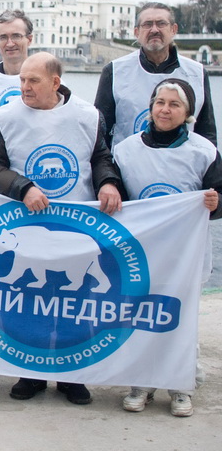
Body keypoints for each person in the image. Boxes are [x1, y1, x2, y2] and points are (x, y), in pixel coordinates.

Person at [0, 52, 123, 405]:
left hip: (73, 225)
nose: (24, 87)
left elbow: (100, 157)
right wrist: (22, 187)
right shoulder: (7, 115)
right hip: (27, 225)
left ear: (55, 83)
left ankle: (72, 377)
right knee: (31, 302)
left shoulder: (88, 116)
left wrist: (108, 182)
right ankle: (32, 374)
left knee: (75, 303)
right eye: (22, 80)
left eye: (33, 81)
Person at [114, 79, 222, 417]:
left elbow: (219, 199)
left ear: (188, 112)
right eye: (160, 102)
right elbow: (116, 191)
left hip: (185, 255)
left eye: (174, 104)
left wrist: (214, 203)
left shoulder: (204, 151)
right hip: (142, 252)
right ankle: (141, 382)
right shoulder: (126, 149)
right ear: (150, 106)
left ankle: (180, 387)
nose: (165, 109)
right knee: (140, 316)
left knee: (181, 319)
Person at [94, 2, 216, 150]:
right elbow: (100, 133)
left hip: (184, 167)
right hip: (128, 168)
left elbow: (207, 132)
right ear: (136, 32)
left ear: (173, 29)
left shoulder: (197, 72)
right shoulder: (114, 71)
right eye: (147, 24)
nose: (154, 30)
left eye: (161, 23)